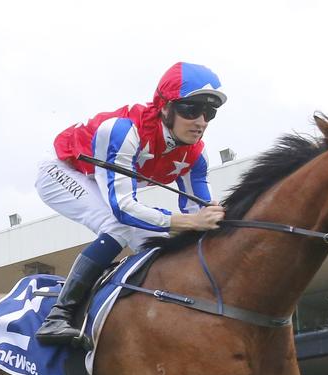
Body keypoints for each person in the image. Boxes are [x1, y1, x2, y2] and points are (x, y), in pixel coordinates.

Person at [35, 62, 227, 344]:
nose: (200, 121)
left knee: (153, 239)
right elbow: (123, 208)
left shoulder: (196, 154)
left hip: (99, 181)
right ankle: (59, 316)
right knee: (116, 225)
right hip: (62, 172)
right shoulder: (124, 130)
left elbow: (199, 211)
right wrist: (188, 222)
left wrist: (217, 218)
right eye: (190, 109)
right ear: (165, 107)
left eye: (208, 112)